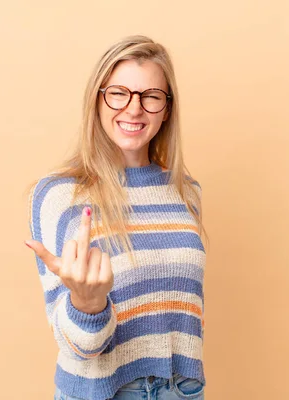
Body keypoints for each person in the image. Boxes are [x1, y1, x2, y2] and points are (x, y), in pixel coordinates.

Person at [25, 35, 208, 400]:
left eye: (151, 96)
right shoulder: (60, 196)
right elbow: (78, 345)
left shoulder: (186, 191)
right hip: (103, 392)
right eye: (119, 93)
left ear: (167, 109)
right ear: (98, 99)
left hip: (182, 390)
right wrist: (88, 306)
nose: (134, 109)